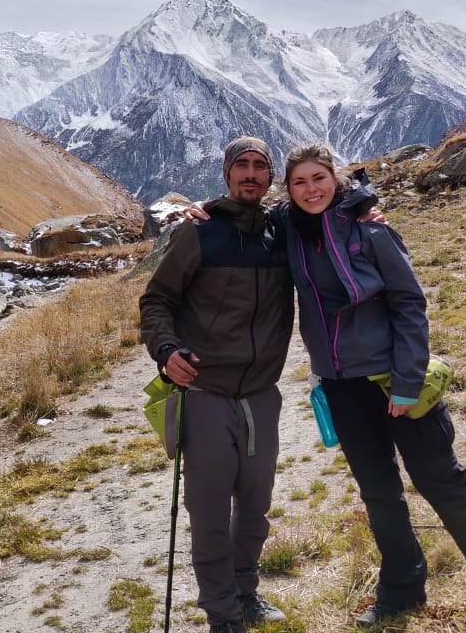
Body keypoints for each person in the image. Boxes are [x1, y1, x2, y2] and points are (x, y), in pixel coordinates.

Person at [280, 142, 466, 626]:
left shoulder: (371, 231)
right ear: (289, 190)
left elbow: (409, 304)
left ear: (335, 179)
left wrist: (406, 383)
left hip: (394, 380)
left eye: (318, 177)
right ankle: (402, 591)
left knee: (443, 482)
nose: (310, 189)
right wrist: (202, 211)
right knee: (379, 493)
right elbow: (241, 218)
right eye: (299, 181)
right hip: (343, 386)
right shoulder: (291, 234)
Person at [139, 137, 291, 633]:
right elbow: (156, 301)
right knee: (207, 513)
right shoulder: (198, 233)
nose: (251, 174)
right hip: (204, 394)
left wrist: (369, 211)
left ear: (271, 178)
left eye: (260, 167)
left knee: (256, 508)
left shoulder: (281, 234)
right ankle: (222, 614)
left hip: (261, 395)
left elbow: (332, 204)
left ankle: (247, 593)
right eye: (241, 166)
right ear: (227, 174)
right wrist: (166, 351)